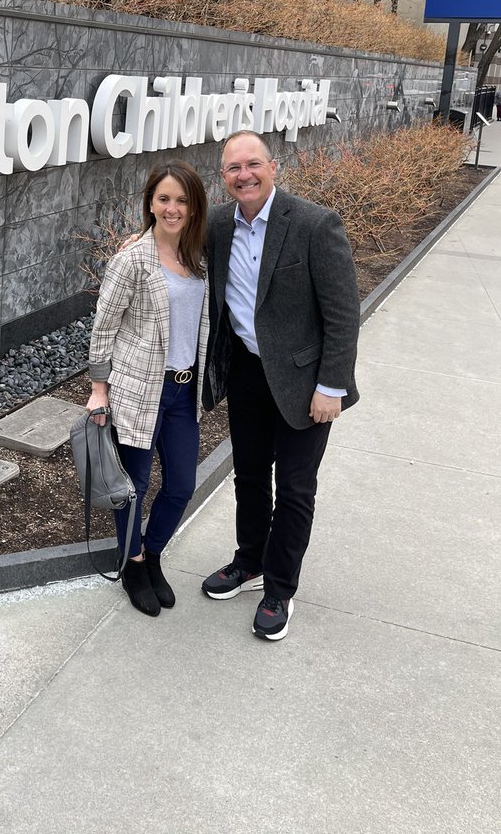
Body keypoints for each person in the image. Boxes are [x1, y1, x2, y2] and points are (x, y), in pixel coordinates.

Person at [201, 131, 360, 641]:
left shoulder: (314, 224)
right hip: (247, 373)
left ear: (274, 167)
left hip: (305, 381)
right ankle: (249, 562)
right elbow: (177, 243)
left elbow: (342, 314)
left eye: (252, 165)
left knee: (294, 489)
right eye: (233, 169)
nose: (243, 175)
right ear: (223, 177)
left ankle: (279, 589)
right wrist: (138, 242)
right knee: (248, 477)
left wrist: (331, 385)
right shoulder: (220, 224)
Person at [86, 161, 210, 617]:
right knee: (134, 486)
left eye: (182, 200)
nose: (172, 208)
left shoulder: (199, 256)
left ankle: (153, 553)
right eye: (164, 199)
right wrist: (100, 390)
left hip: (183, 391)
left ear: (194, 207)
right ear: (150, 203)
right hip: (140, 389)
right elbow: (103, 329)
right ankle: (133, 563)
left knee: (181, 484)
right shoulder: (131, 259)